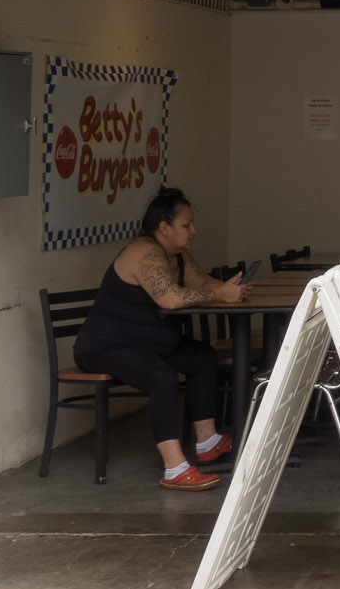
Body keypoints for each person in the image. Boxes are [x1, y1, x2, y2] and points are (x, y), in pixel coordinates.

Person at [71, 186, 245, 490]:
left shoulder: (177, 253)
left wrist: (232, 290)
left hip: (147, 341)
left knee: (202, 357)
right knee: (162, 378)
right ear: (164, 227)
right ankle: (174, 468)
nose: (193, 230)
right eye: (186, 225)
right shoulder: (144, 252)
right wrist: (219, 293)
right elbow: (170, 299)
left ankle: (207, 443)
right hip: (106, 346)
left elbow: (200, 282)